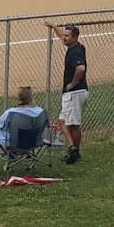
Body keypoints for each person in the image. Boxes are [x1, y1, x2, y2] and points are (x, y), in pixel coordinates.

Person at [44, 22, 88, 164]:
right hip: (75, 93)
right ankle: (72, 148)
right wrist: (53, 26)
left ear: (74, 37)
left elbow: (81, 69)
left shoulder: (75, 52)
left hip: (74, 93)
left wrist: (72, 84)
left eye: (67, 36)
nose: (64, 38)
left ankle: (75, 153)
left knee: (73, 125)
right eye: (64, 35)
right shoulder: (77, 46)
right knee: (63, 122)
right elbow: (62, 35)